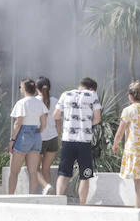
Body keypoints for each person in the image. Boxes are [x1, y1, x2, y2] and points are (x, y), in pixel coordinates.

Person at [53, 76, 102, 204]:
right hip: (84, 140)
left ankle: (59, 201)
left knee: (63, 173)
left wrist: (68, 114)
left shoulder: (65, 94)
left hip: (68, 140)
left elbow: (56, 115)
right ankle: (82, 205)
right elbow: (97, 118)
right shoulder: (92, 95)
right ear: (92, 88)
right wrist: (86, 124)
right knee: (85, 175)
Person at [7, 78, 46, 195]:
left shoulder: (21, 103)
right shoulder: (40, 102)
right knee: (33, 171)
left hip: (24, 133)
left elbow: (18, 123)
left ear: (24, 88)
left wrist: (12, 140)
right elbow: (44, 123)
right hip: (36, 135)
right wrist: (37, 132)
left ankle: (10, 196)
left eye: (20, 87)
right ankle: (32, 196)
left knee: (14, 171)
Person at [36, 75, 58, 195]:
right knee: (46, 168)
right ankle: (48, 194)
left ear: (36, 87)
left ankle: (46, 186)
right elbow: (58, 120)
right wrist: (58, 135)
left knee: (34, 168)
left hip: (40, 137)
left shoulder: (35, 101)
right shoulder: (55, 100)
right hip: (53, 137)